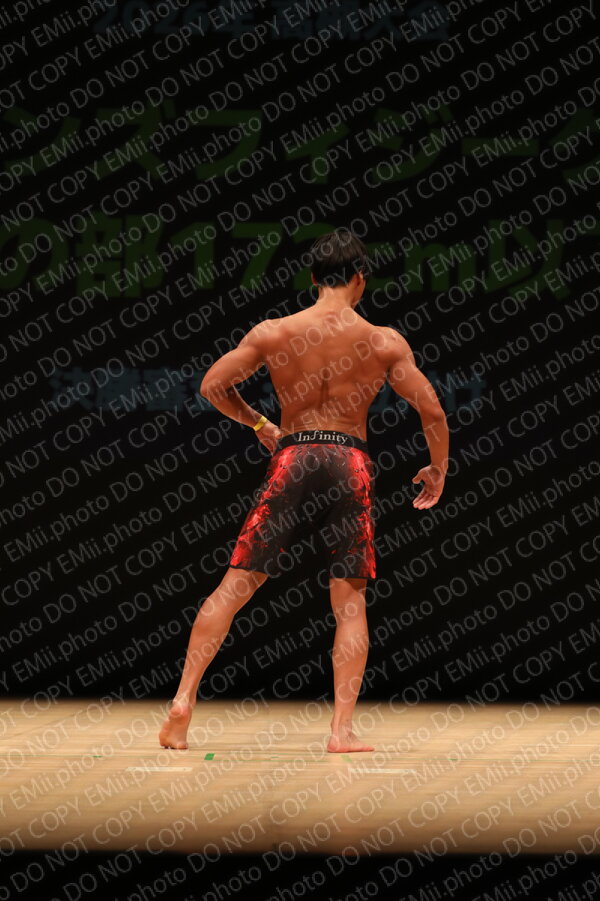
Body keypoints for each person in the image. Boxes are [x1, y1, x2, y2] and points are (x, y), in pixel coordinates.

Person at [159, 228, 449, 752]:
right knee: (350, 602)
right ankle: (341, 731)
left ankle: (182, 701)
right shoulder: (383, 340)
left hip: (292, 455)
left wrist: (259, 424)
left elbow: (212, 386)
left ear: (314, 278)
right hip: (349, 461)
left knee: (235, 585)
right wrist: (437, 469)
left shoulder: (274, 332)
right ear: (360, 279)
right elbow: (431, 410)